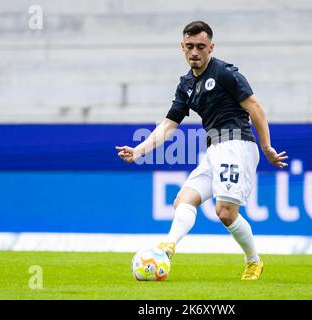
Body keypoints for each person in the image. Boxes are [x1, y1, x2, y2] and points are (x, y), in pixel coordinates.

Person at [116, 21, 288, 280]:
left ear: (211, 47)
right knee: (183, 200)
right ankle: (168, 246)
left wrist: (266, 147)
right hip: (215, 149)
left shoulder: (225, 73)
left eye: (200, 47)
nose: (194, 52)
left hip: (237, 145)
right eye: (189, 47)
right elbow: (168, 125)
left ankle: (253, 261)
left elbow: (255, 108)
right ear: (182, 47)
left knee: (225, 214)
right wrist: (138, 151)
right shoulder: (185, 85)